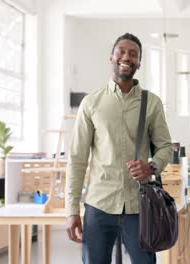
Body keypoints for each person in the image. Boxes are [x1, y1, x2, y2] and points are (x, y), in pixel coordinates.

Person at [65, 33, 172, 264]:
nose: (127, 57)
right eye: (121, 51)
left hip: (139, 207)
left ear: (139, 63)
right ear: (111, 58)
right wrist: (71, 210)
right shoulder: (91, 103)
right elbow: (77, 159)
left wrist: (151, 166)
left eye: (133, 54)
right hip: (99, 206)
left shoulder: (151, 102)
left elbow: (165, 147)